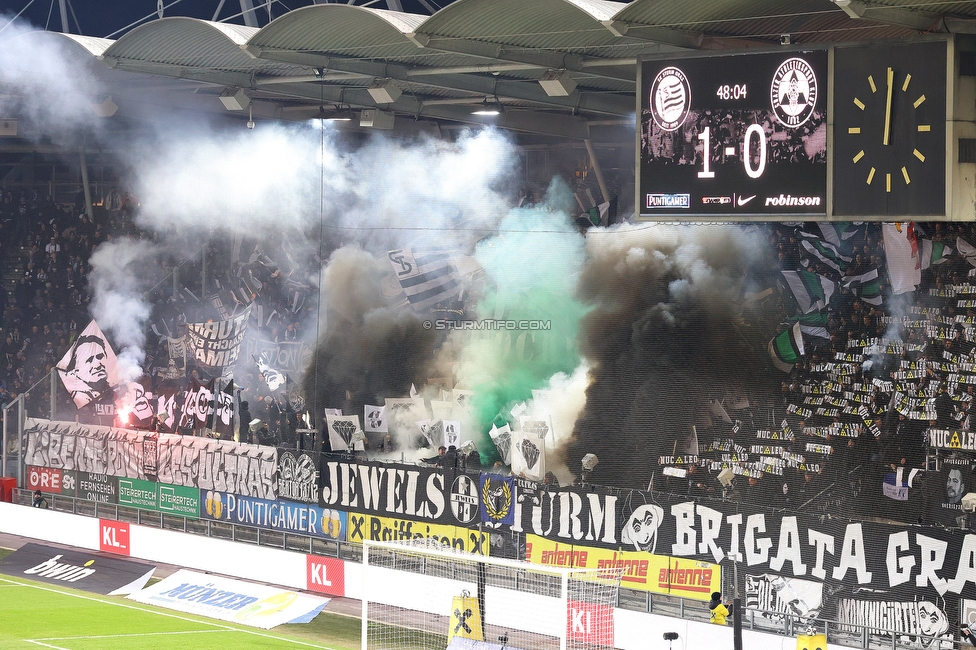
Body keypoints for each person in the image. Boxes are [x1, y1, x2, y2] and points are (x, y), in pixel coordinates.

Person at [60, 334, 110, 407]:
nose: (97, 364)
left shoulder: (116, 390)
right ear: (76, 370)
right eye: (90, 360)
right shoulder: (79, 397)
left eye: (100, 356)